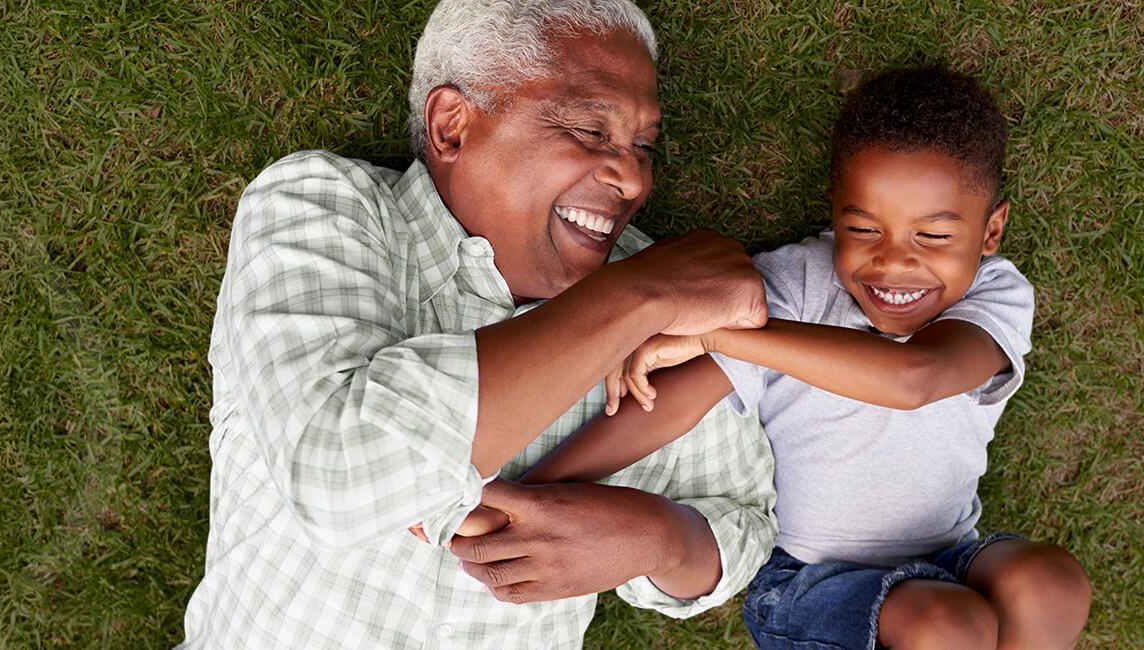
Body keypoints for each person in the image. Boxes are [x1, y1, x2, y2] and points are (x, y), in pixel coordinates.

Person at [179, 1, 778, 646]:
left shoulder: (665, 298)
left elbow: (741, 524)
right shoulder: (320, 206)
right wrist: (638, 297)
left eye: (643, 147)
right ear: (452, 126)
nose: (632, 177)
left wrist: (658, 540)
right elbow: (338, 476)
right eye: (587, 130)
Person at [518, 66, 1093, 649]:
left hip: (953, 553)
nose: (894, 264)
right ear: (834, 210)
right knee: (949, 626)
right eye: (864, 228)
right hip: (811, 582)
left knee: (1051, 583)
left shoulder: (994, 294)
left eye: (934, 237)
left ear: (991, 230)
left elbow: (919, 377)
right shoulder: (794, 283)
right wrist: (535, 490)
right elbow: (670, 405)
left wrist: (723, 335)